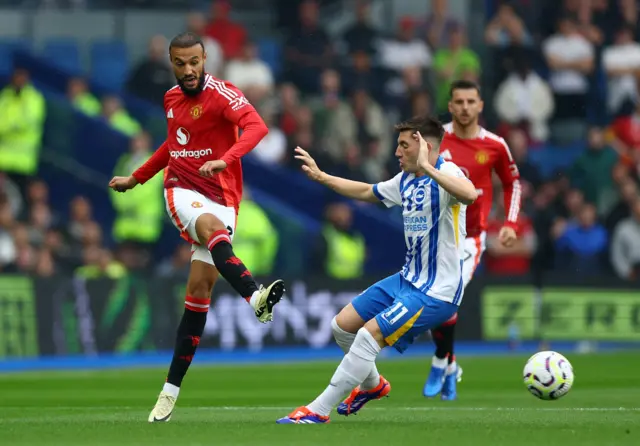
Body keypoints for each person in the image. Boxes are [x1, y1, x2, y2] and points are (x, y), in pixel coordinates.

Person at [108, 32, 285, 423]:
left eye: (194, 62)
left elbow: (257, 128)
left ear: (205, 59)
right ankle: (255, 297)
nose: (187, 70)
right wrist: (136, 178)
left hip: (223, 196)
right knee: (207, 227)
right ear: (171, 63)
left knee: (199, 292)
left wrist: (226, 158)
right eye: (179, 63)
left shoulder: (224, 95)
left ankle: (168, 393)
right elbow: (173, 147)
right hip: (181, 189)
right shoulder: (171, 98)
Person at [276, 115, 477, 424]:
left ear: (425, 146)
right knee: (342, 326)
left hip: (437, 291)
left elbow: (470, 195)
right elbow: (367, 191)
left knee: (368, 337)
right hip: (407, 279)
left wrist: (427, 167)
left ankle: (317, 410)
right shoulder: (406, 180)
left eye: (404, 145)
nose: (396, 152)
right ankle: (373, 385)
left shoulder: (447, 172)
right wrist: (322, 177)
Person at [423, 79, 521, 400]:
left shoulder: (495, 145)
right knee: (432, 306)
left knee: (446, 299)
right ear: (450, 106)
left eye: (471, 102)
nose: (465, 107)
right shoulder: (436, 140)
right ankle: (451, 364)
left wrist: (509, 223)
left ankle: (440, 360)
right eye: (459, 102)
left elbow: (512, 183)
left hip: (470, 237)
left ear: (480, 105)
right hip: (434, 235)